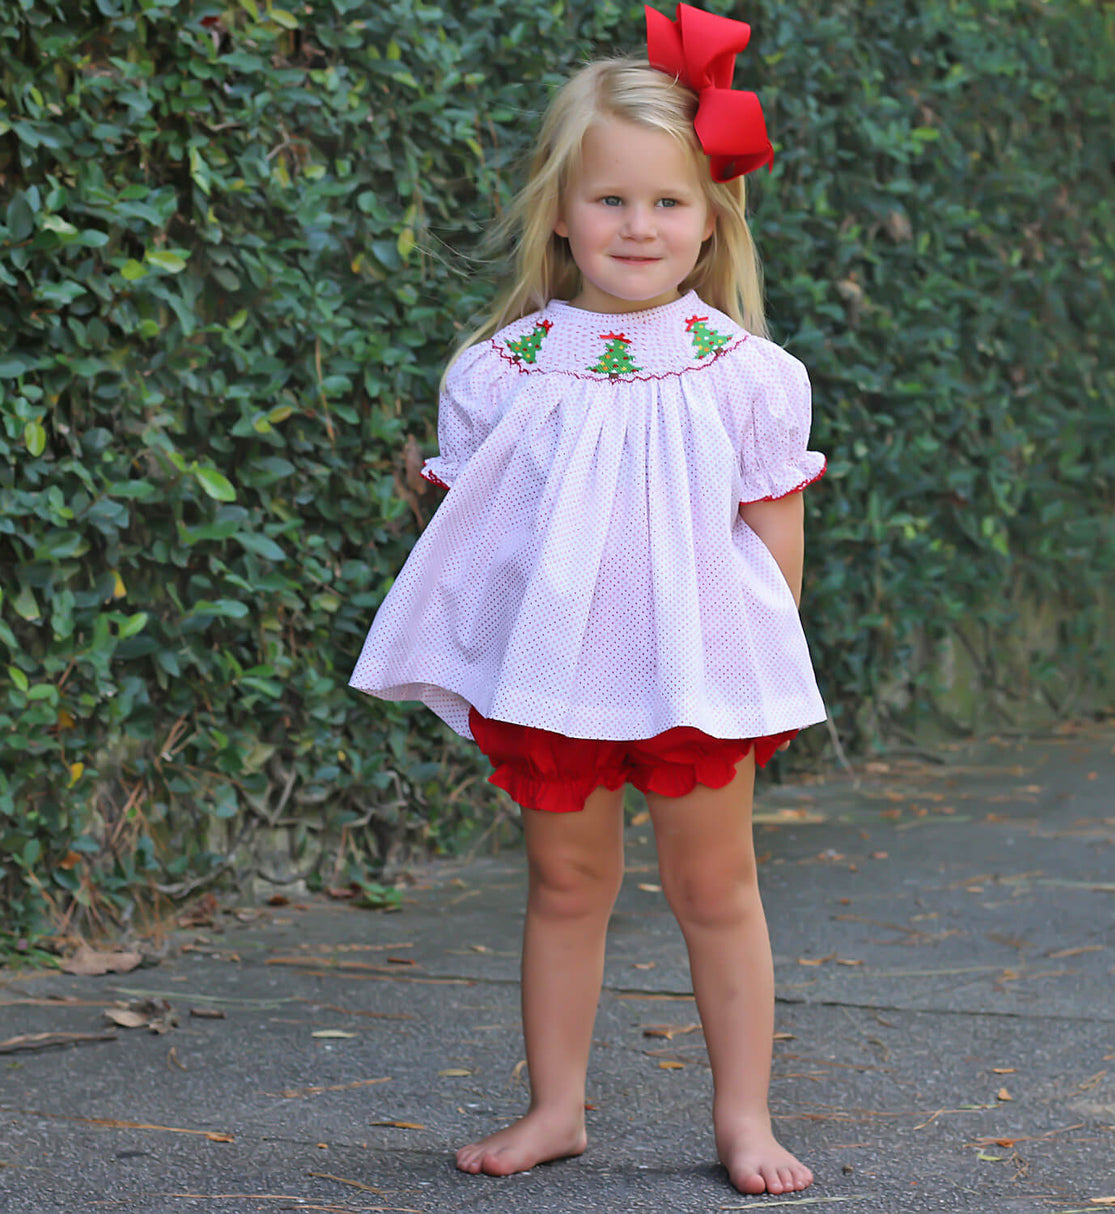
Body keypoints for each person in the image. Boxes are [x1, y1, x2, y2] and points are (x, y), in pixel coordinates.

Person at [350, 2, 826, 1196]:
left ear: (709, 216)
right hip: (554, 674)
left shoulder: (746, 375)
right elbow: (480, 542)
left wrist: (755, 670)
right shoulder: (497, 372)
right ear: (559, 211)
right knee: (565, 883)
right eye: (609, 198)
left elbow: (774, 546)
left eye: (666, 200)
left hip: (693, 674)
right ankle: (554, 1106)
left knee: (714, 886)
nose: (637, 223)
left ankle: (743, 1116)